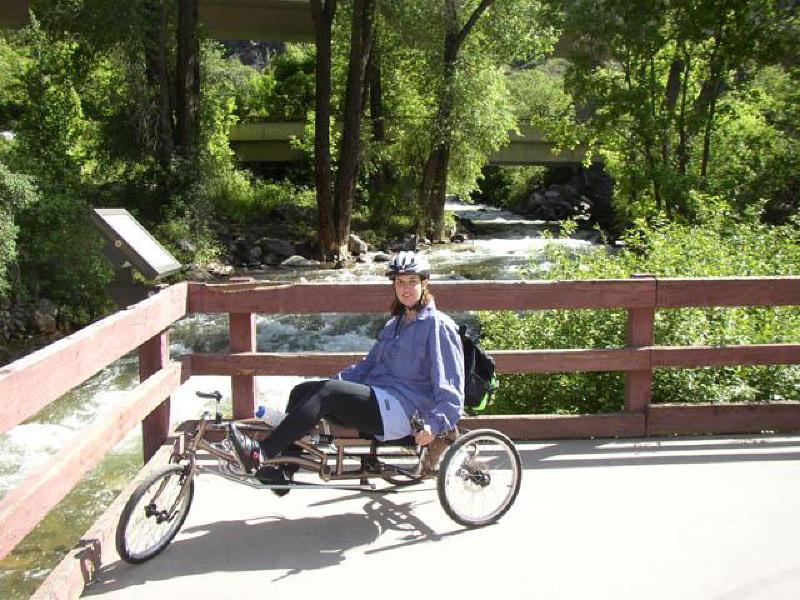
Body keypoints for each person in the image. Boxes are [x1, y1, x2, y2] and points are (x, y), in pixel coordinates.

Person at [228, 250, 465, 484]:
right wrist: (329, 385)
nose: (405, 288)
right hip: (380, 399)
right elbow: (368, 366)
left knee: (326, 393)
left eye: (412, 282)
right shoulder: (395, 324)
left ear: (425, 283)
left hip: (406, 411)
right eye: (399, 282)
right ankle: (285, 471)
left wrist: (434, 425)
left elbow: (451, 387)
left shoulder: (438, 325)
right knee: (302, 391)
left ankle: (262, 453)